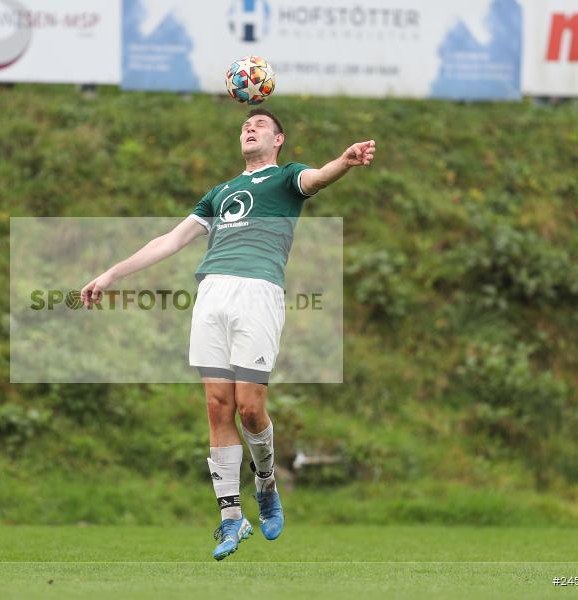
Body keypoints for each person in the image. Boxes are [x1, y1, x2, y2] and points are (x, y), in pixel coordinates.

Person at [81, 108, 375, 560]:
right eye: (245, 124)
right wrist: (110, 274)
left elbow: (317, 179)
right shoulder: (220, 193)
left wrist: (344, 160)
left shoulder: (285, 178)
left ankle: (266, 484)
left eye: (260, 125)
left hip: (258, 294)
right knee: (218, 407)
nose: (249, 128)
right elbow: (169, 240)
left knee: (250, 409)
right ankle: (230, 520)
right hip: (212, 295)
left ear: (278, 140)